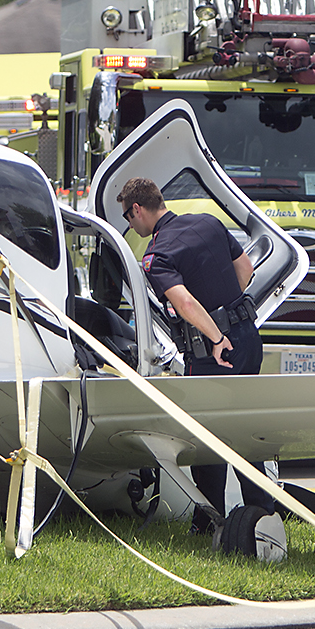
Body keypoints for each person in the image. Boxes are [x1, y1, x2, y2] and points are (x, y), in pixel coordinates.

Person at [117, 176, 266, 520]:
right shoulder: (209, 222)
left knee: (207, 435)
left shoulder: (157, 255)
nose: (130, 223)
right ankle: (262, 512)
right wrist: (229, 312)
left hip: (216, 349)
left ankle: (210, 520)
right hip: (248, 336)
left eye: (127, 216)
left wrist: (216, 337)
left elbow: (184, 304)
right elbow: (245, 269)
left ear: (137, 209)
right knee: (244, 428)